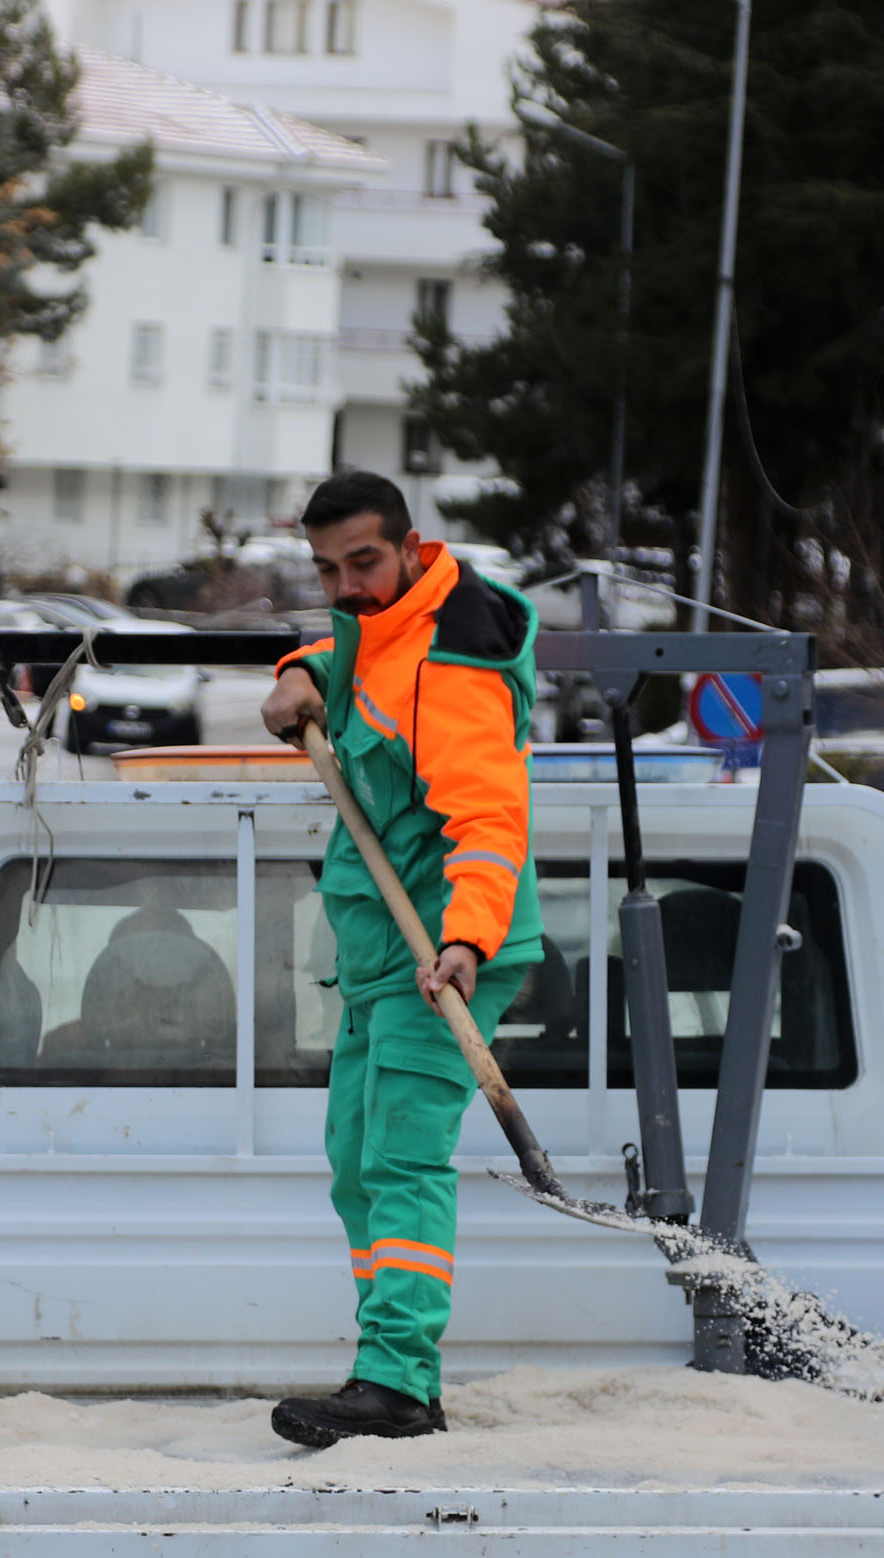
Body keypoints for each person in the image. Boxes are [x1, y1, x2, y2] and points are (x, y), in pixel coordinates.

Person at [257, 471, 541, 1448]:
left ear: (414, 548)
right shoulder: (381, 625)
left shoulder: (456, 659)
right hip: (383, 954)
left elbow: (490, 819)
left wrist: (466, 938)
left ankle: (397, 1382)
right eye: (327, 569)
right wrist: (304, 667)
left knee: (401, 1158)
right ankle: (386, 1364)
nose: (348, 586)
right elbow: (357, 659)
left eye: (365, 562)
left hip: (447, 949)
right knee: (353, 1162)